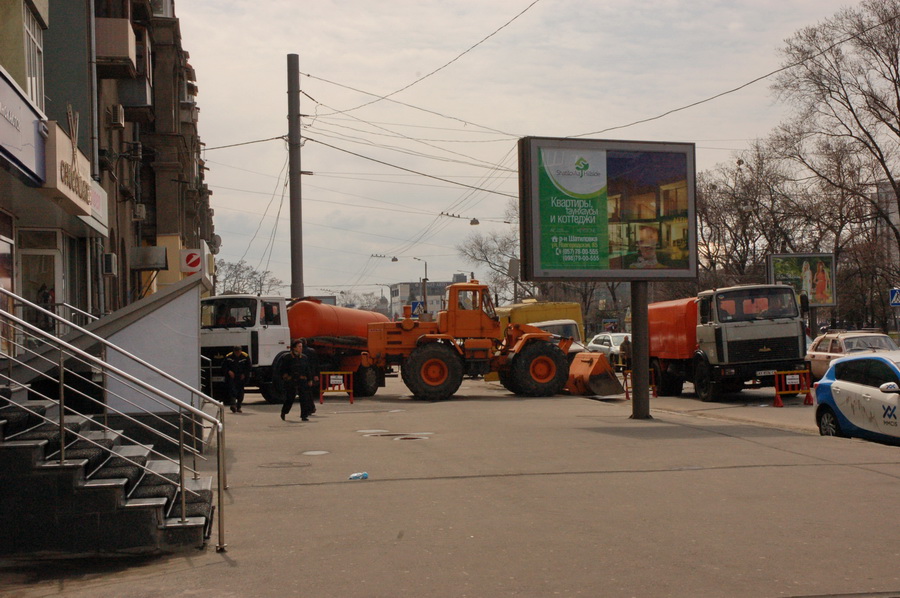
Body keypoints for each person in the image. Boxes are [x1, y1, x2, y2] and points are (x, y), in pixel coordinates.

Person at [278, 339, 318, 422]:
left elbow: (307, 369)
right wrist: (285, 377)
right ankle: (284, 412)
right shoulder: (287, 357)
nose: (301, 348)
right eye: (299, 347)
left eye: (301, 347)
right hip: (291, 381)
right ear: (294, 348)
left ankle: (304, 415)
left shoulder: (304, 357)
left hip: (302, 380)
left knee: (304, 398)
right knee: (290, 398)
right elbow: (282, 369)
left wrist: (310, 379)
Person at [221, 345, 251, 413]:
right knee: (232, 390)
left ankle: (239, 406)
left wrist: (244, 374)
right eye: (236, 352)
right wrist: (229, 371)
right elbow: (224, 366)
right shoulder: (229, 356)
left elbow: (248, 367)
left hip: (241, 377)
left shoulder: (245, 356)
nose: (237, 353)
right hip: (232, 377)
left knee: (240, 392)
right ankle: (233, 405)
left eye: (239, 351)